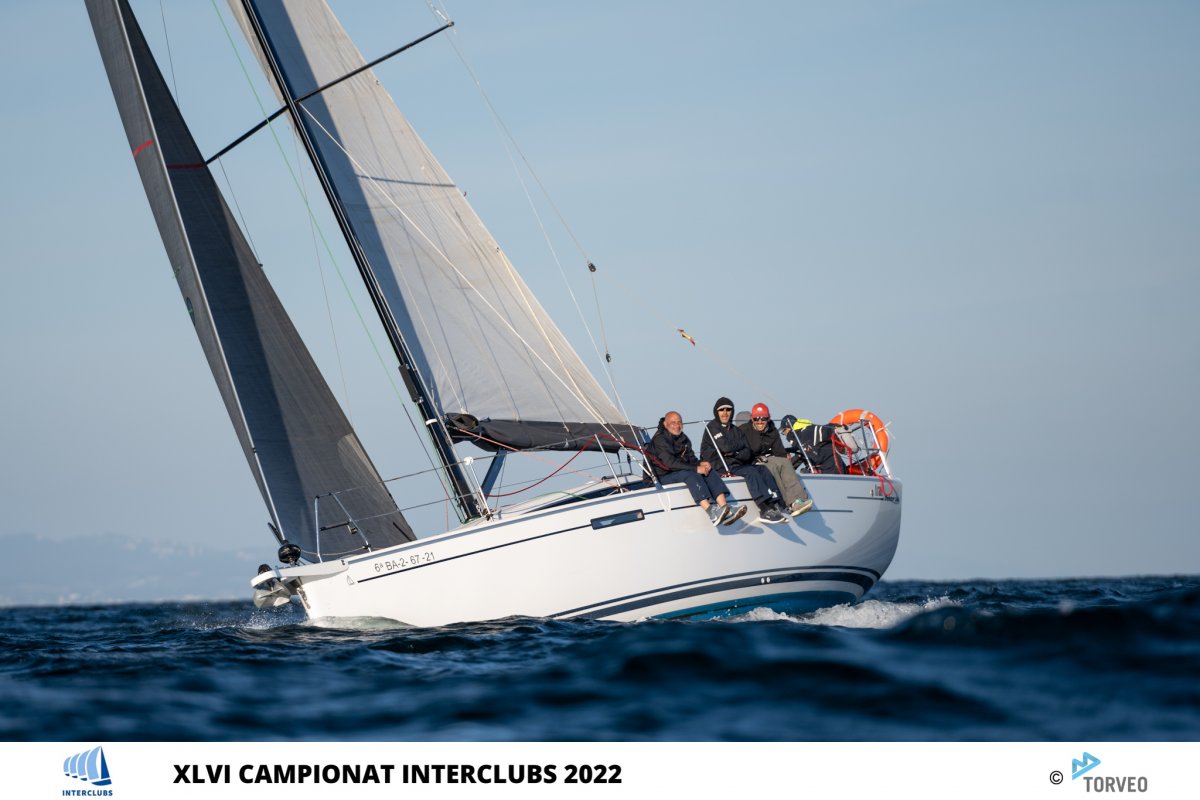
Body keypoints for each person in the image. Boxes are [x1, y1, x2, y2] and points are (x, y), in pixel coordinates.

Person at [646, 411, 748, 526]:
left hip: (676, 471)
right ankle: (712, 513)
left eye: (679, 422)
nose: (677, 425)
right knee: (691, 474)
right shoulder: (660, 439)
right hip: (661, 475)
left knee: (708, 470)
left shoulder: (684, 439)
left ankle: (725, 509)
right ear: (665, 424)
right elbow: (670, 463)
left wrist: (702, 464)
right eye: (673, 423)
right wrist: (696, 469)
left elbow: (691, 460)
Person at [699, 397, 789, 524]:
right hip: (718, 465)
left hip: (734, 463)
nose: (725, 413)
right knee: (750, 471)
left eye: (728, 410)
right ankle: (763, 508)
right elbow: (724, 447)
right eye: (722, 410)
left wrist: (734, 453)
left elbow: (747, 452)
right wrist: (737, 449)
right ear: (716, 412)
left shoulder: (736, 430)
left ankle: (776, 503)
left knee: (762, 469)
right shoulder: (712, 427)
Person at [740, 403, 814, 516]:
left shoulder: (772, 431)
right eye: (756, 418)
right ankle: (784, 503)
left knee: (784, 462)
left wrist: (787, 460)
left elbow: (779, 452)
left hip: (766, 458)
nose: (760, 422)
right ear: (752, 418)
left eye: (763, 418)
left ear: (768, 418)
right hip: (750, 461)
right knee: (772, 466)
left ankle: (797, 500)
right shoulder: (744, 430)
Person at [781, 415, 846, 474]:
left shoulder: (808, 430)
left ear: (788, 428)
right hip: (826, 473)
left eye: (783, 431)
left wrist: (837, 427)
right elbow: (800, 455)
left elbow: (826, 429)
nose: (784, 434)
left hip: (834, 471)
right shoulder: (798, 439)